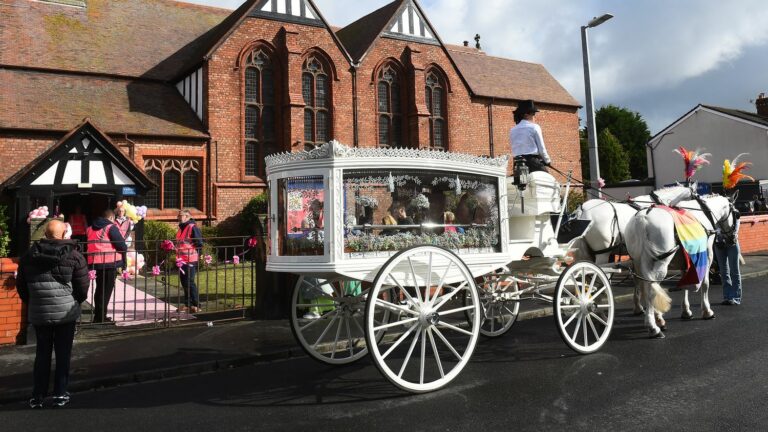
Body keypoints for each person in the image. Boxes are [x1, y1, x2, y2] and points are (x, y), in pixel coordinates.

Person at [16, 220, 89, 408]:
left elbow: (22, 287)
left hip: (40, 312)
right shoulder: (74, 256)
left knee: (42, 353)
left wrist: (34, 302)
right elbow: (82, 287)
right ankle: (60, 393)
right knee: (63, 353)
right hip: (65, 312)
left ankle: (38, 395)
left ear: (46, 234)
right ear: (64, 234)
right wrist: (74, 302)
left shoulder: (28, 256)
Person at [86, 209, 127, 323]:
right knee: (106, 291)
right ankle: (101, 318)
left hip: (95, 262)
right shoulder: (111, 227)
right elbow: (121, 245)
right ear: (111, 218)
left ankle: (98, 316)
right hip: (109, 263)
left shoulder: (90, 228)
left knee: (99, 290)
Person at [510, 99, 551, 173]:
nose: (534, 117)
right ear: (526, 114)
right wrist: (547, 161)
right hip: (532, 163)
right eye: (533, 114)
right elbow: (542, 149)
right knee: (549, 181)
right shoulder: (534, 127)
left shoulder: (513, 130)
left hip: (517, 164)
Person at [176, 209, 203, 313]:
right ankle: (187, 304)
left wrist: (198, 256)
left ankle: (196, 305)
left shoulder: (192, 227)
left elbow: (199, 243)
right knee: (184, 282)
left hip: (190, 259)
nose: (178, 217)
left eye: (181, 216)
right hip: (181, 260)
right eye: (178, 216)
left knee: (190, 282)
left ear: (187, 217)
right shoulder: (181, 228)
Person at [714, 209, 742, 305]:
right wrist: (718, 236)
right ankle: (727, 297)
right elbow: (713, 226)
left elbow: (737, 224)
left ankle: (736, 297)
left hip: (731, 243)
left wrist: (734, 235)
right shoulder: (714, 212)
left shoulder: (734, 212)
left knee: (734, 271)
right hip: (719, 243)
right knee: (724, 271)